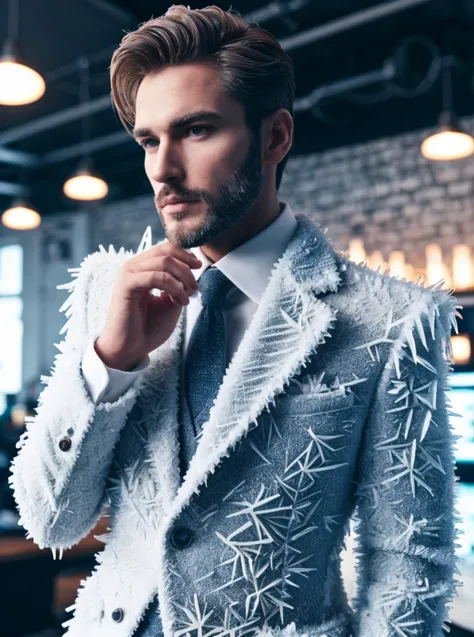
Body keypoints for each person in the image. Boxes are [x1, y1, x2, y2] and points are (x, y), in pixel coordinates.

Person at [9, 5, 462, 637]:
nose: (162, 170)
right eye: (148, 140)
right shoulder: (105, 294)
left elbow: (409, 565)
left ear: (275, 137)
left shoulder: (392, 321)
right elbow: (50, 521)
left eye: (195, 130)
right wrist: (110, 360)